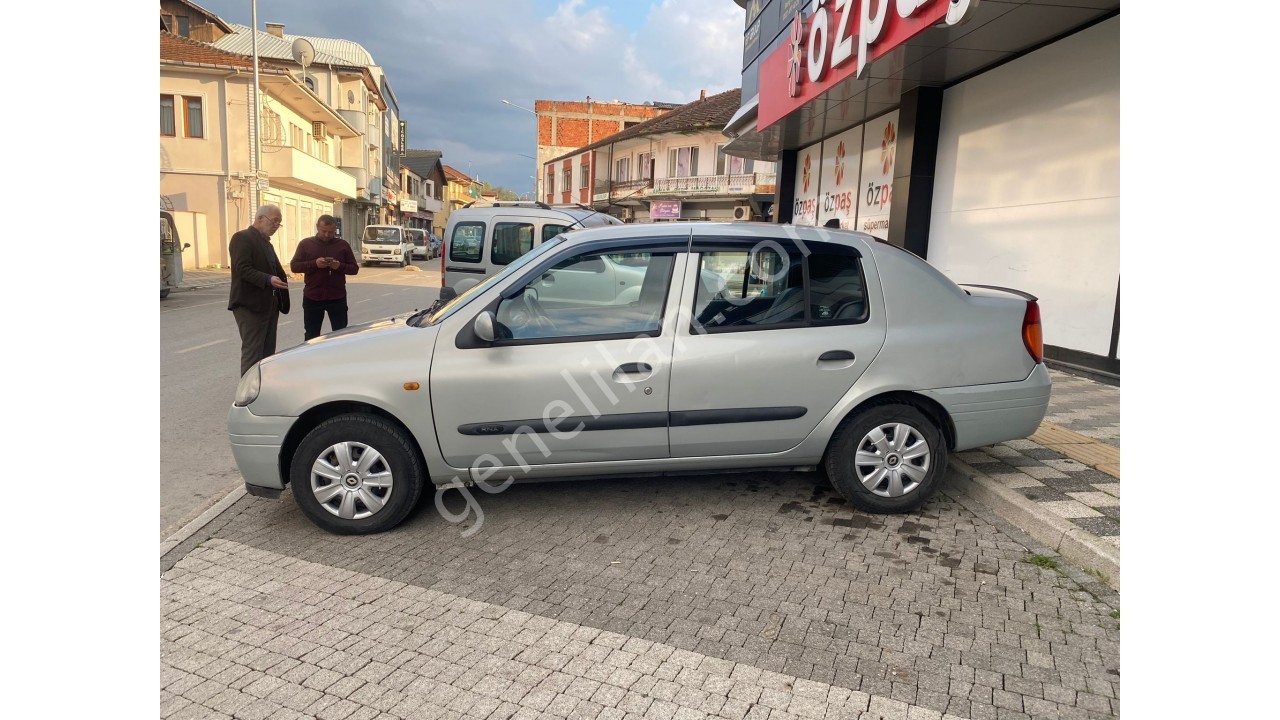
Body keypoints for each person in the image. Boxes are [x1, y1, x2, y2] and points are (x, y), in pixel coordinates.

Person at [227, 204, 289, 376]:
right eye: (274, 221)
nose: (276, 225)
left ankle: (263, 388)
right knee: (253, 354)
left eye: (279, 222)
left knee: (267, 355)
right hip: (250, 305)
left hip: (270, 304)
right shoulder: (242, 238)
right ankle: (247, 390)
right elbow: (242, 268)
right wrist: (268, 279)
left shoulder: (266, 243)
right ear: (260, 218)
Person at [290, 214, 358, 340]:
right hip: (313, 297)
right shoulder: (306, 244)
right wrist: (314, 264)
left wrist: (339, 266)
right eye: (324, 231)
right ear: (317, 227)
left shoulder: (342, 245)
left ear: (335, 229)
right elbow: (294, 266)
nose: (327, 235)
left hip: (337, 297)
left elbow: (354, 269)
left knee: (341, 334)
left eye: (331, 232)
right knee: (311, 335)